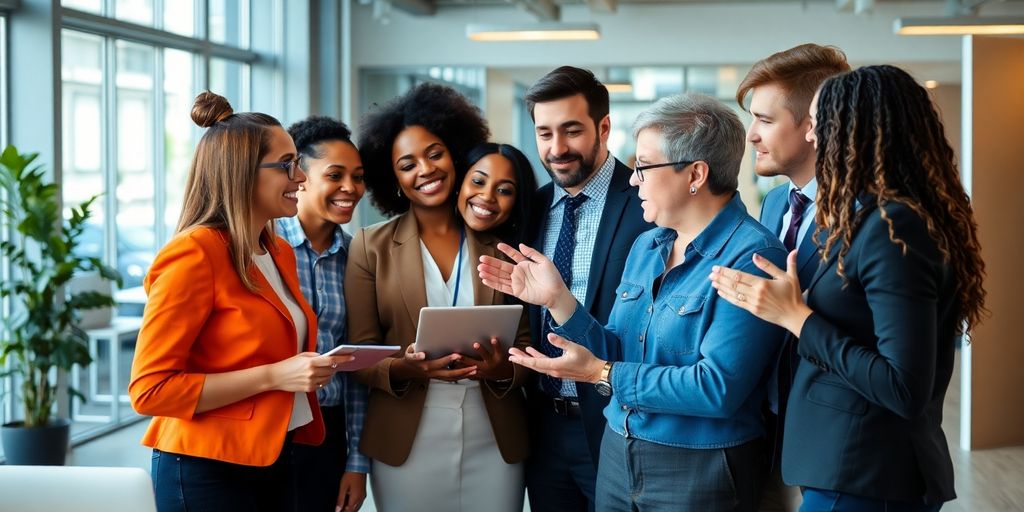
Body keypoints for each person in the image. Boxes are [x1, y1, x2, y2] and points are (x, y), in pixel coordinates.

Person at [480, 93, 789, 511]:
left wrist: (601, 373)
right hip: (618, 451)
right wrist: (559, 301)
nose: (632, 179)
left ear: (695, 173)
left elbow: (717, 388)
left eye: (644, 165)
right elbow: (619, 350)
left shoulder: (751, 255)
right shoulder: (648, 245)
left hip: (700, 466)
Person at [710, 65, 987, 511]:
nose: (814, 138)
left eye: (821, 124)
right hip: (837, 464)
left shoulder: (893, 224)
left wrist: (797, 318)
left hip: (864, 472)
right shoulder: (876, 218)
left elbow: (903, 387)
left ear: (856, 130)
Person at [129, 91, 352, 512]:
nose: (301, 177)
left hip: (274, 453)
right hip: (206, 467)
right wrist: (274, 376)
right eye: (287, 165)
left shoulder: (276, 250)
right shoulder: (194, 253)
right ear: (243, 174)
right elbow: (150, 390)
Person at [345, 83, 530, 512]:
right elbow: (360, 354)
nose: (425, 170)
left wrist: (504, 369)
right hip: (407, 437)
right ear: (392, 177)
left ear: (456, 153)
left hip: (495, 435)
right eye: (407, 164)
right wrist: (403, 368)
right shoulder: (369, 246)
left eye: (434, 154)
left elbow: (526, 345)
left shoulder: (504, 245)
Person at [521, 65, 651, 512]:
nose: (556, 149)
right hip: (544, 426)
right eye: (544, 133)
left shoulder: (647, 204)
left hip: (620, 421)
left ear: (604, 127)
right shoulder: (532, 209)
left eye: (571, 131)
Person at [735, 43, 850, 512]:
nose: (751, 136)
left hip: (842, 442)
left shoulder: (864, 216)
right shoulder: (776, 203)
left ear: (812, 127)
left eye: (764, 119)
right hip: (777, 426)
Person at [275, 115, 369, 512]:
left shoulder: (358, 258)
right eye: (336, 175)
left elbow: (356, 372)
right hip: (267, 426)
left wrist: (356, 463)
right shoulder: (264, 248)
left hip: (327, 435)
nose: (351, 188)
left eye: (359, 176)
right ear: (300, 176)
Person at [457, 142, 538, 247]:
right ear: (460, 182)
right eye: (478, 181)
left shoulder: (515, 259)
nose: (487, 196)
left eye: (503, 190)